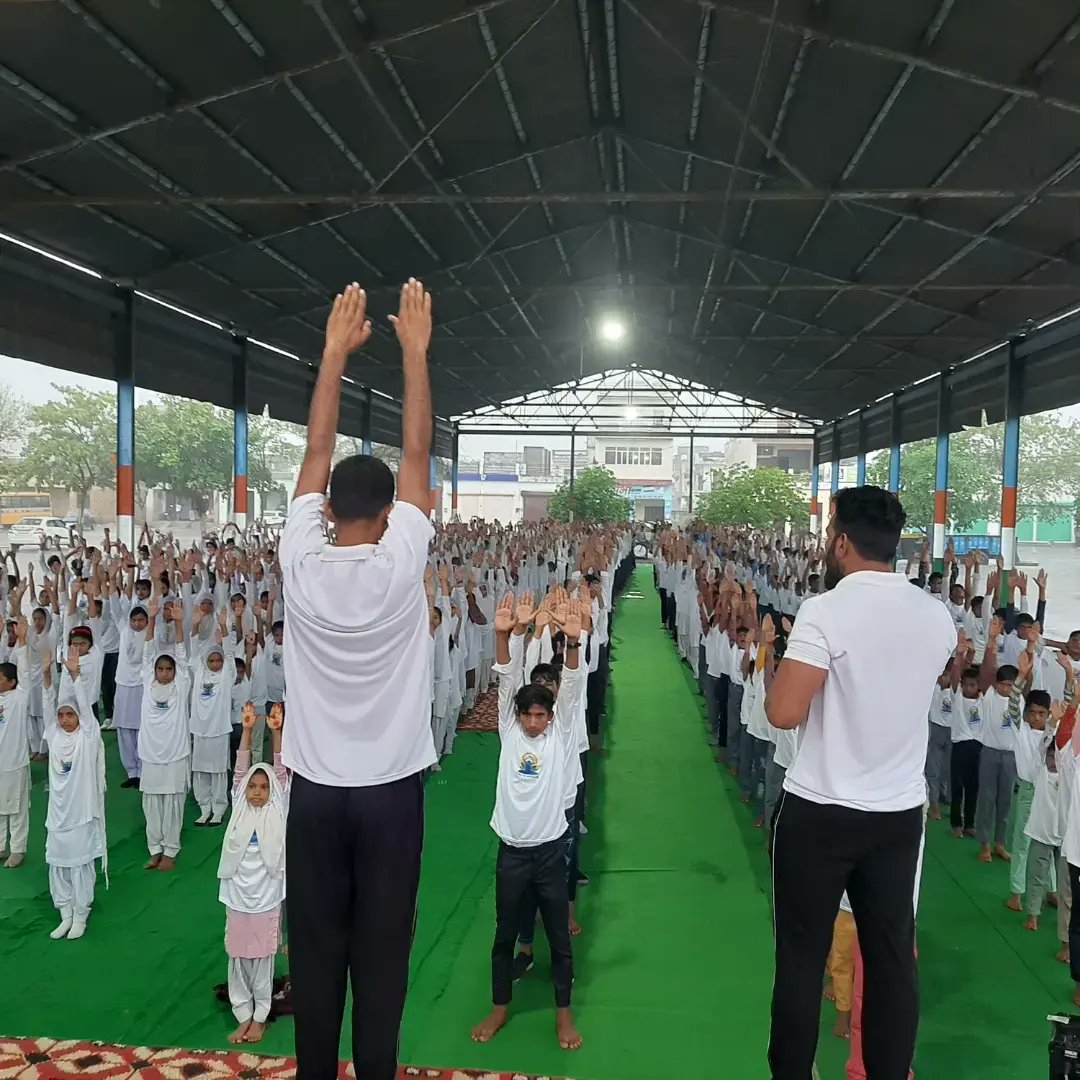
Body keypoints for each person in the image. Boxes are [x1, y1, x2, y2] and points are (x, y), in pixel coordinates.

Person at [281, 279, 435, 1080]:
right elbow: (416, 455)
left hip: (313, 794)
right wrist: (414, 354)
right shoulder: (400, 567)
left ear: (330, 507)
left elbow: (314, 452)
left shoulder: (300, 564)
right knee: (382, 952)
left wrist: (333, 357)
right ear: (391, 512)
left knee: (315, 950)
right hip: (388, 795)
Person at [766, 486, 955, 1080]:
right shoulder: (934, 614)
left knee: (801, 958)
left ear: (841, 542)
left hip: (821, 809)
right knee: (893, 957)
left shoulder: (828, 609)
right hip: (898, 816)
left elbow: (784, 712)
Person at [471, 591, 586, 1052]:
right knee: (503, 933)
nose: (535, 722)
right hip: (512, 853)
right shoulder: (509, 729)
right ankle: (500, 1007)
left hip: (549, 852)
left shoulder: (559, 734)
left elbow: (572, 686)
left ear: (551, 716)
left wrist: (572, 644)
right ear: (517, 716)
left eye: (542, 714)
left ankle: (564, 1015)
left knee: (559, 938)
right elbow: (504, 680)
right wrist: (504, 635)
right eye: (529, 715)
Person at [219, 703, 288, 1046]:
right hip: (237, 895)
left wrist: (276, 733)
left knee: (261, 959)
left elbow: (280, 773)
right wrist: (246, 732)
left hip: (266, 896)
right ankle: (242, 1013)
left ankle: (259, 1017)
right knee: (237, 956)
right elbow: (239, 771)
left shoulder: (278, 807)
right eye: (252, 787)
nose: (258, 791)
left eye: (263, 787)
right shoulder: (241, 806)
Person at [45, 647, 108, 941]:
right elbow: (50, 702)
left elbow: (84, 708)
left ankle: (81, 914)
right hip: (57, 816)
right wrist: (51, 675)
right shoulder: (54, 736)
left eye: (71, 714)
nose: (66, 719)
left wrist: (76, 677)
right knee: (58, 865)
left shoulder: (87, 735)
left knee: (81, 865)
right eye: (62, 715)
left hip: (81, 813)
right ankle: (65, 913)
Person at [139, 600, 191, 871]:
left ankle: (170, 850)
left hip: (174, 754)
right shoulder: (148, 682)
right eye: (160, 669)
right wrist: (152, 618)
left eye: (168, 669)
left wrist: (180, 623)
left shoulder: (181, 684)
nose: (164, 673)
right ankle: (155, 849)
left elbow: (181, 656)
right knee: (151, 804)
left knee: (173, 802)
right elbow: (148, 653)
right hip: (150, 753)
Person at [0, 640, 30, 869]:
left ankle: (18, 848)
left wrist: (22, 641)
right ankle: (0, 846)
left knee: (17, 808)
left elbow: (25, 670)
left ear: (11, 682)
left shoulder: (20, 698)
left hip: (15, 762)